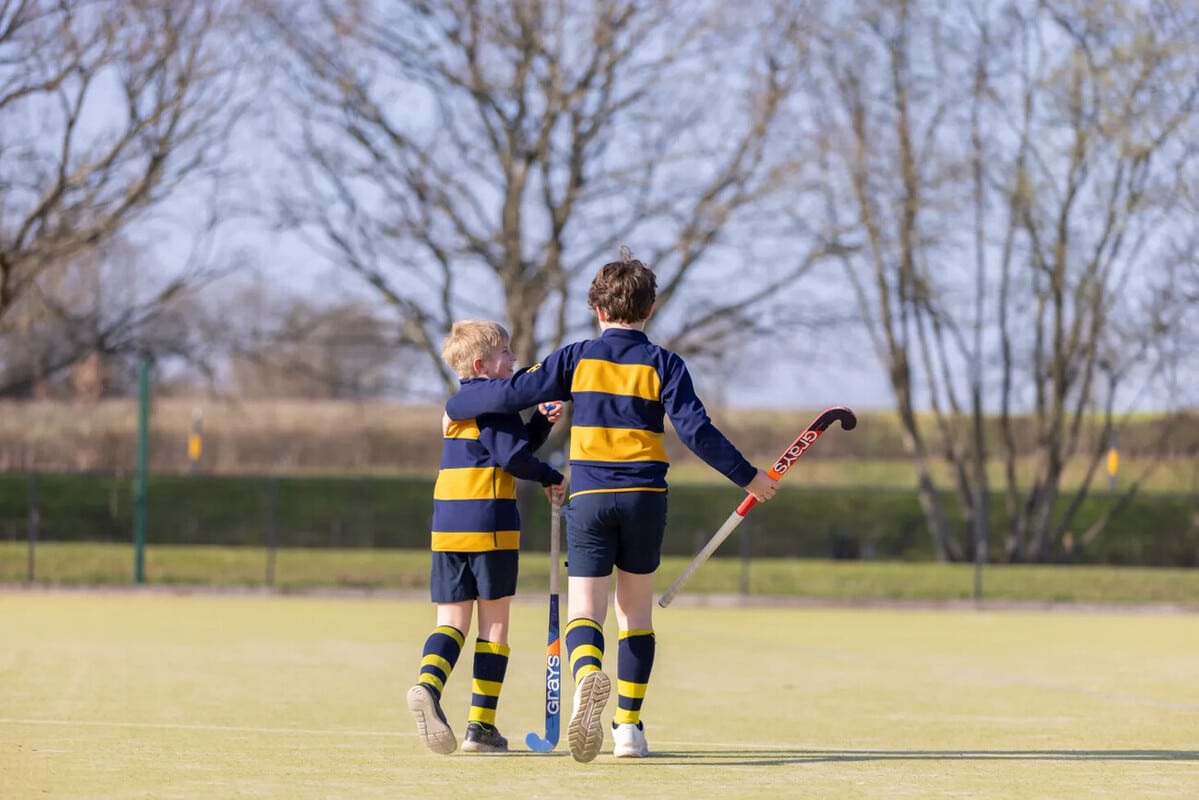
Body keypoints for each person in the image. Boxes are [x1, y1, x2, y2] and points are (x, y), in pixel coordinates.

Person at [444, 256, 779, 762]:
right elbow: (696, 431)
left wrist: (458, 404)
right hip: (645, 498)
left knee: (585, 608)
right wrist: (748, 476)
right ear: (650, 308)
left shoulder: (576, 357)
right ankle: (627, 728)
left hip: (590, 497)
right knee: (635, 613)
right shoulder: (665, 364)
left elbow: (512, 392)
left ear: (597, 309)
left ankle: (586, 677)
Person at [407, 320, 566, 755]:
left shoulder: (462, 405)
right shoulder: (494, 404)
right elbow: (513, 458)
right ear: (481, 365)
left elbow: (507, 447)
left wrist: (540, 423)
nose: (514, 360)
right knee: (494, 623)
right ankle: (481, 727)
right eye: (506, 353)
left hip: (447, 525)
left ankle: (428, 686)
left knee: (451, 621)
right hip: (489, 522)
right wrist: (551, 476)